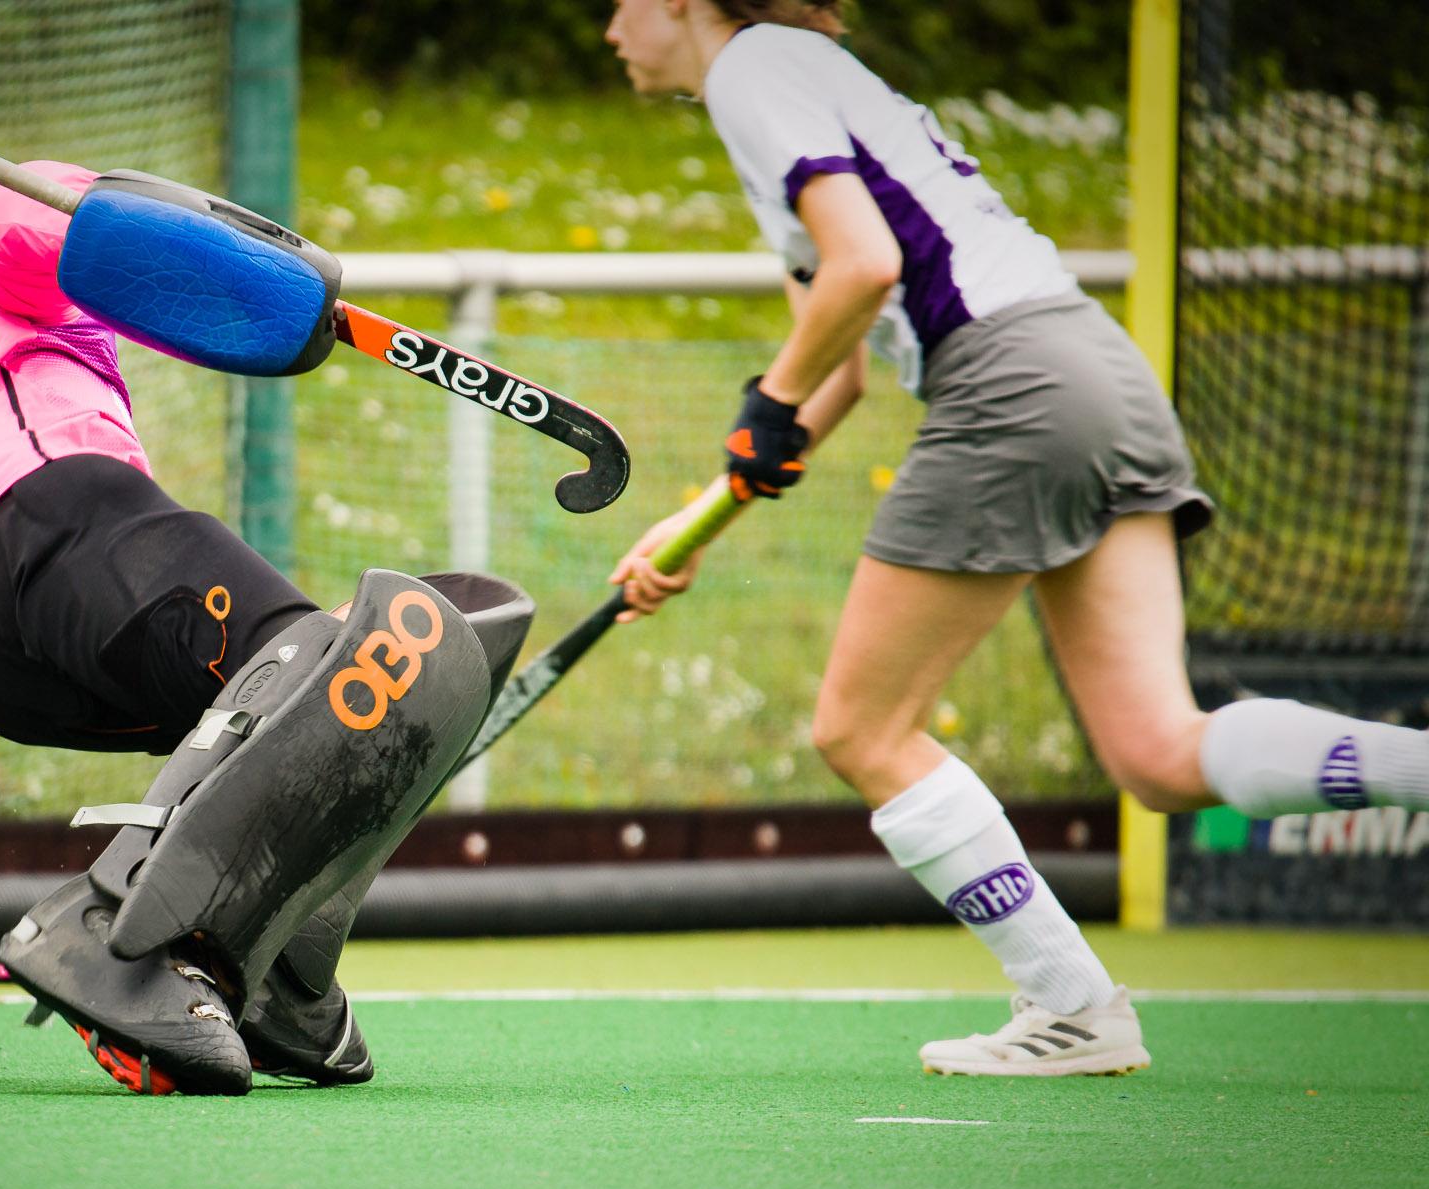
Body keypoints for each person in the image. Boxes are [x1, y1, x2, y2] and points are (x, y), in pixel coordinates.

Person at [603, 0, 1429, 1075]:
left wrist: (767, 401)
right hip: (1092, 365)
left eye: (618, 2)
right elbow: (840, 364)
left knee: (862, 729)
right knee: (1157, 752)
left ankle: (1070, 1005)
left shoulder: (752, 68)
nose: (609, 28)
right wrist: (700, 516)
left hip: (1009, 384)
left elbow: (862, 269)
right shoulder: (799, 75)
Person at [0, 161, 530, 1094]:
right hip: (55, 519)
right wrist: (247, 269)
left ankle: (249, 955)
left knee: (281, 712)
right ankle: (121, 935)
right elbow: (21, 210)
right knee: (328, 665)